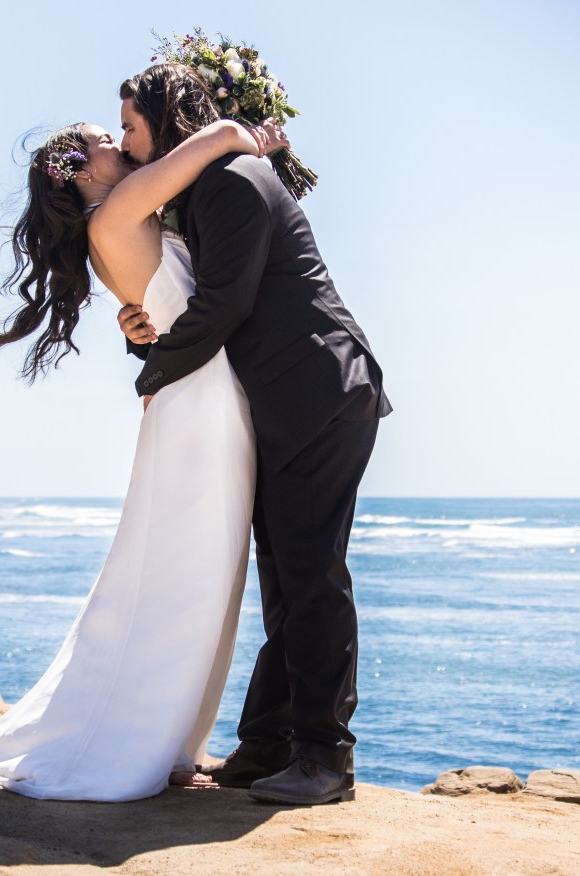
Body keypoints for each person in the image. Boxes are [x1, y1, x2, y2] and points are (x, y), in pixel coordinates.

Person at [0, 116, 286, 801]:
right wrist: (236, 126)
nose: (123, 144)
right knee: (185, 572)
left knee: (190, 570)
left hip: (201, 395)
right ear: (78, 172)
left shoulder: (123, 219)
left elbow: (169, 303)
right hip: (201, 402)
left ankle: (155, 730)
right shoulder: (118, 212)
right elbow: (209, 146)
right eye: (108, 138)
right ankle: (131, 737)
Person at [117, 64, 391, 805]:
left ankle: (326, 759)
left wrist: (151, 376)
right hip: (293, 404)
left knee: (311, 580)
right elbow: (208, 306)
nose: (124, 143)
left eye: (131, 128)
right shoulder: (208, 188)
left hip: (320, 397)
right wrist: (147, 340)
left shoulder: (232, 181)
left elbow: (227, 305)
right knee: (288, 584)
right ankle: (268, 744)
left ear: (169, 119)